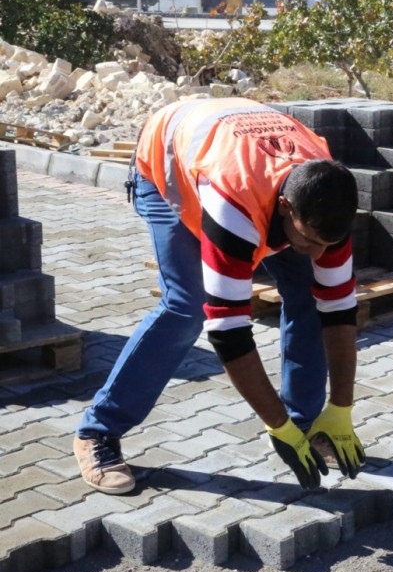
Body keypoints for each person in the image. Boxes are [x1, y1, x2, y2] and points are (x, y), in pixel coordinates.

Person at [73, 98, 365, 495]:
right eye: (310, 240)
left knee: (312, 295)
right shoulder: (235, 202)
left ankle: (305, 425)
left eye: (325, 243)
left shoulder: (327, 197)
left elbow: (339, 311)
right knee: (186, 306)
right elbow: (229, 331)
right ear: (284, 208)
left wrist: (342, 407)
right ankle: (97, 432)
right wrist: (273, 423)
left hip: (241, 145)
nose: (318, 253)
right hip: (169, 164)